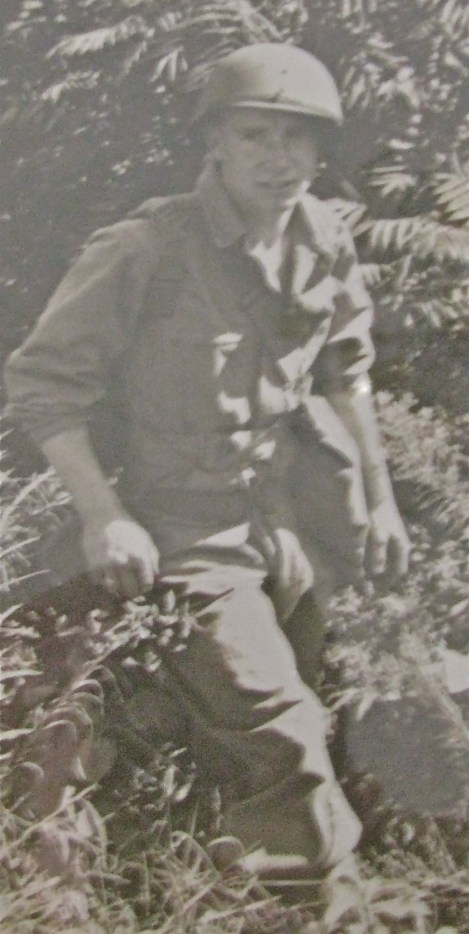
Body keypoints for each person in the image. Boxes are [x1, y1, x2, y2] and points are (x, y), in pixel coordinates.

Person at [5, 43, 410, 890]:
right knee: (278, 724)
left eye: (296, 140)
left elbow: (346, 377)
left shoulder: (323, 240)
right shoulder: (146, 248)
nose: (279, 159)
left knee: (345, 698)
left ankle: (194, 829)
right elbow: (42, 387)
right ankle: (312, 901)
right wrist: (102, 513)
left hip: (282, 520)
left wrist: (379, 503)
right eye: (256, 135)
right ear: (214, 142)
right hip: (177, 526)